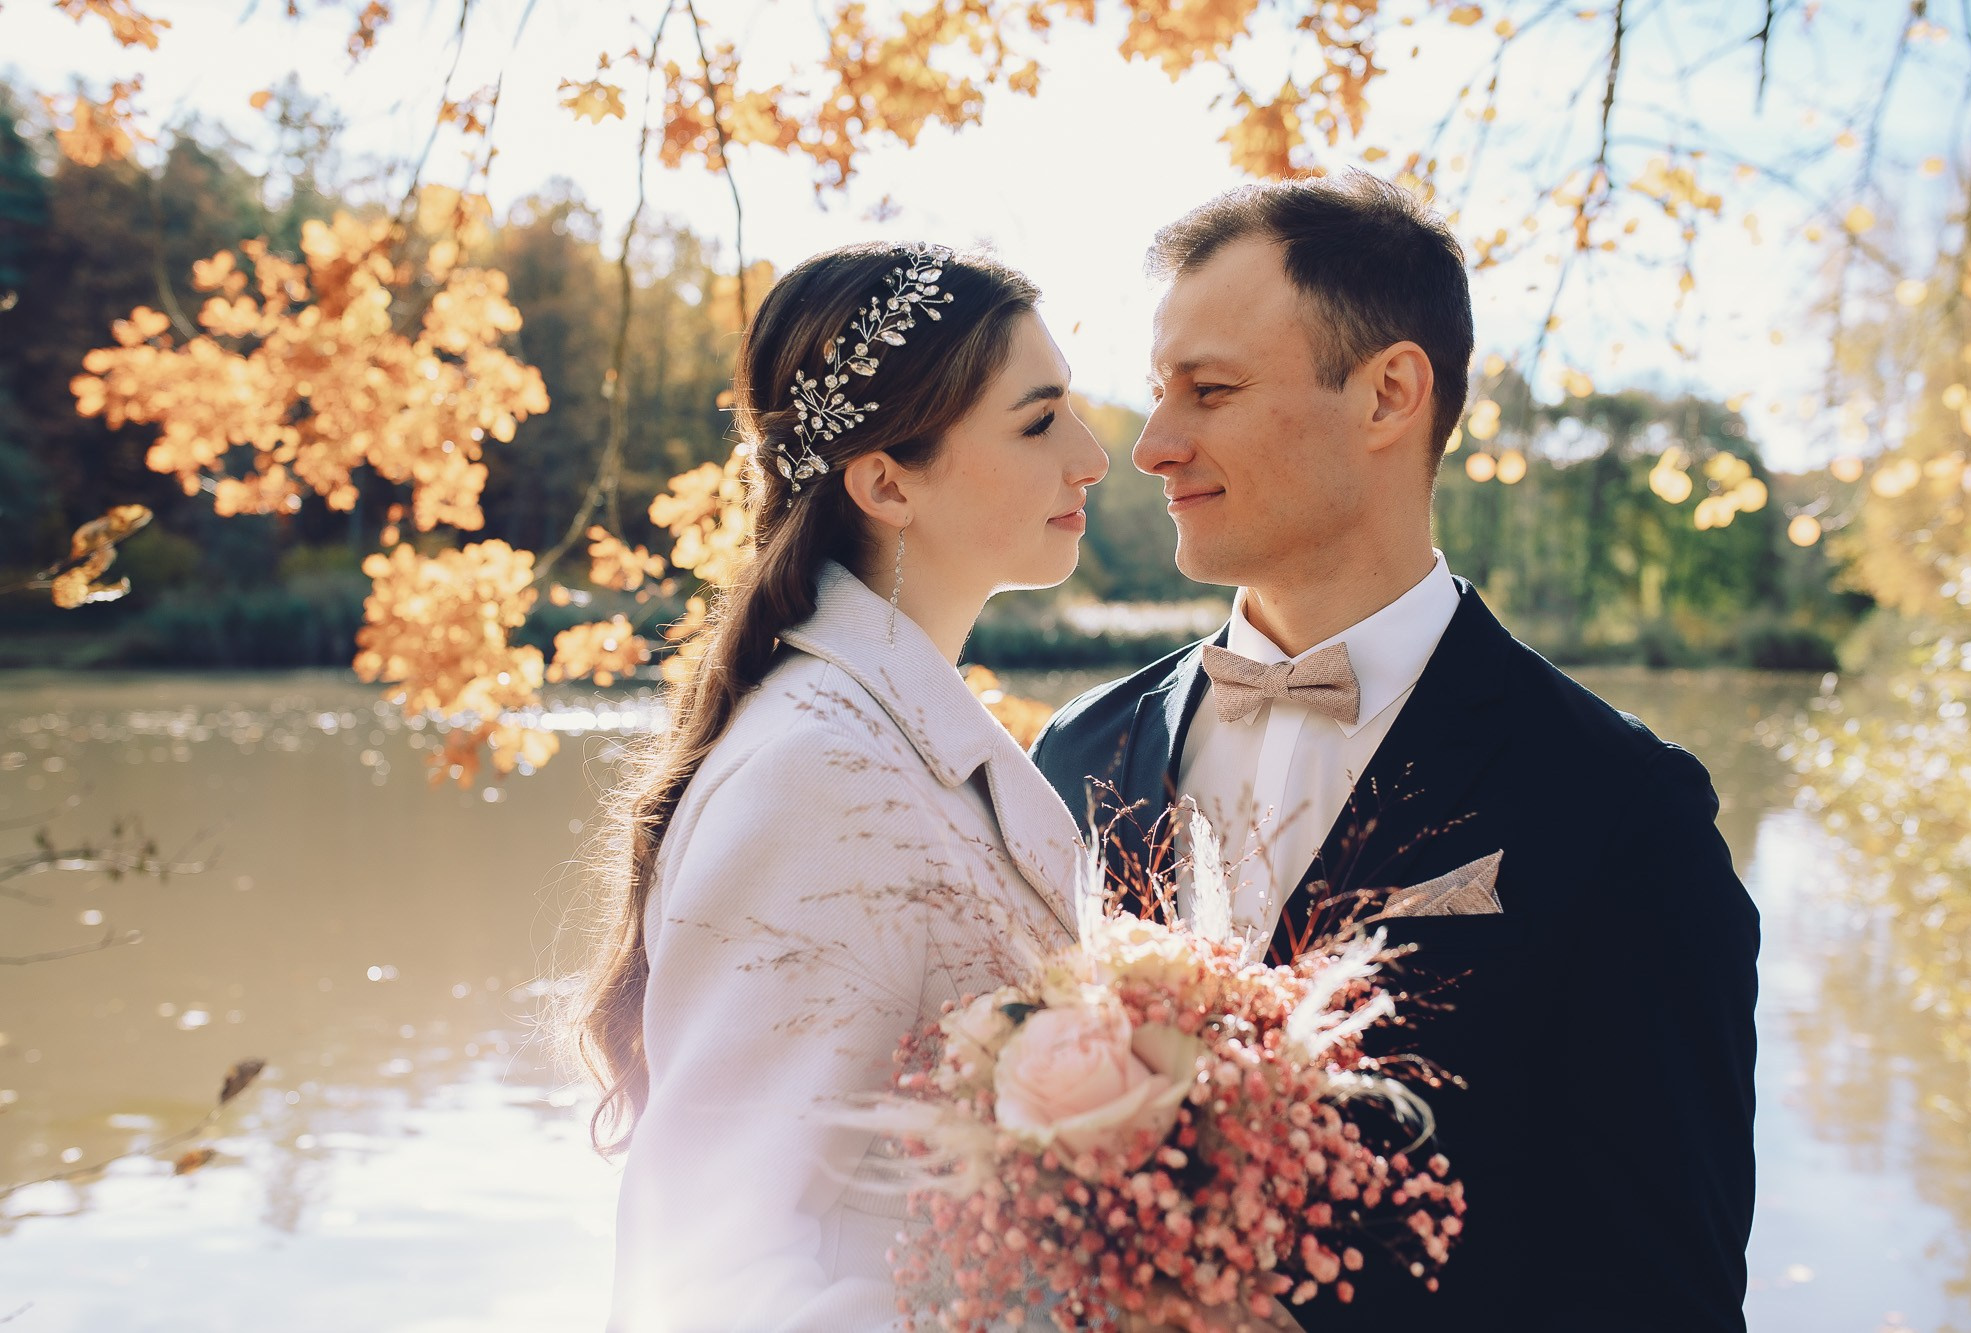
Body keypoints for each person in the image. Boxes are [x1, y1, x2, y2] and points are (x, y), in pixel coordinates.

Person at [1031, 175, 1760, 1333]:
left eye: (1207, 391)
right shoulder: (1074, 754)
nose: (1153, 445)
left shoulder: (1622, 810)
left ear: (1387, 393)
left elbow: (1657, 1292)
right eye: (1160, 393)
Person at [579, 241, 1109, 1331]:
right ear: (885, 481)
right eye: (1038, 418)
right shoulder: (816, 775)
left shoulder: (904, 734)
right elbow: (710, 1265)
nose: (1093, 454)